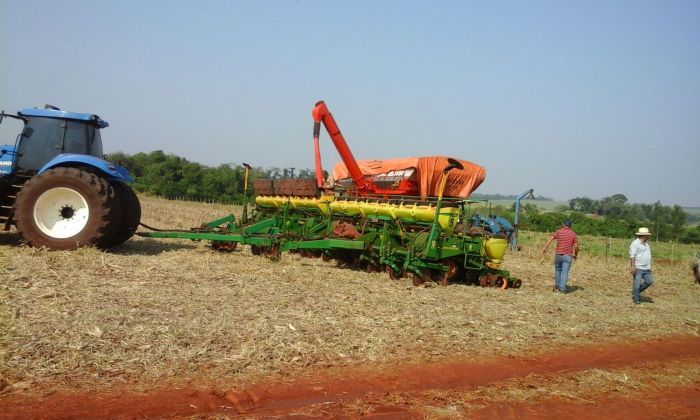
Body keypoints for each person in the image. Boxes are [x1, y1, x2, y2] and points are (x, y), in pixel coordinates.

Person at [541, 219, 579, 293]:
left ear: (563, 225)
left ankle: (557, 286)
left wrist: (545, 248)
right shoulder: (573, 234)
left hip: (558, 254)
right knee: (565, 272)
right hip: (568, 255)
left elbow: (551, 238)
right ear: (570, 225)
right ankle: (562, 289)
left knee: (558, 270)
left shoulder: (558, 231)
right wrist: (576, 254)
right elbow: (576, 246)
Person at [629, 227, 654, 304]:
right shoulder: (635, 244)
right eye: (647, 235)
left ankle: (636, 292)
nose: (649, 237)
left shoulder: (646, 244)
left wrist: (650, 266)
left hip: (646, 268)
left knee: (649, 281)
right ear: (644, 235)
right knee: (636, 284)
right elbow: (632, 256)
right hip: (638, 268)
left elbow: (648, 256)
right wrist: (633, 267)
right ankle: (636, 300)